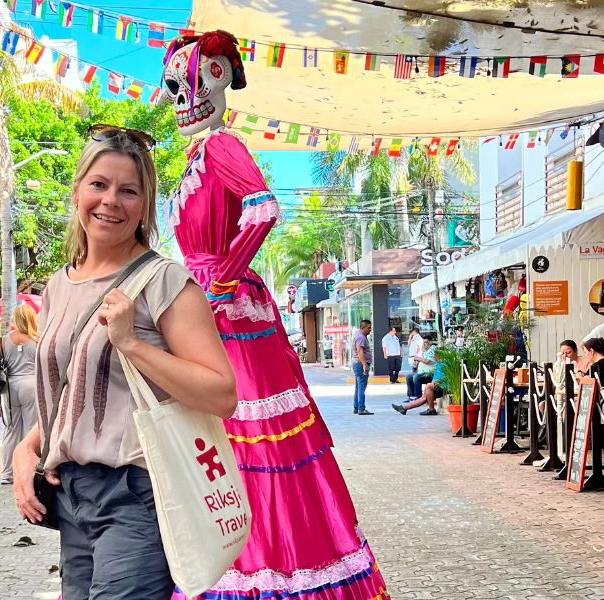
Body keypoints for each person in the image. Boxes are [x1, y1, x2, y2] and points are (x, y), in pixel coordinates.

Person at [160, 31, 388, 599]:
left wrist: (223, 280)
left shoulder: (221, 146)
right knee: (221, 440)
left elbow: (263, 209)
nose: (184, 100)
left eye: (194, 83)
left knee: (243, 437)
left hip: (227, 311)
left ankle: (261, 568)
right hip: (206, 305)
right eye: (174, 88)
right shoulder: (199, 156)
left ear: (218, 78)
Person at [12, 125, 237, 599]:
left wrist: (132, 343)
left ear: (144, 206)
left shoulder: (164, 281)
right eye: (99, 184)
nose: (111, 201)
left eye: (128, 191)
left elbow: (222, 394)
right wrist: (26, 448)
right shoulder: (58, 286)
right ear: (77, 193)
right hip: (70, 495)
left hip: (136, 494)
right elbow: (73, 389)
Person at [0, 304, 39, 485]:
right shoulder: (37, 340)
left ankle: (7, 474)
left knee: (10, 430)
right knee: (32, 430)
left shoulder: (3, 341)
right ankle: (30, 472)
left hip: (9, 386)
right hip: (31, 384)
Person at [352, 319, 374, 415]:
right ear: (363, 327)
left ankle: (356, 407)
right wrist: (365, 364)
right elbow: (360, 351)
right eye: (368, 328)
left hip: (358, 363)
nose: (370, 329)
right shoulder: (361, 337)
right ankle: (361, 408)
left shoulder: (359, 335)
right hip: (360, 364)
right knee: (361, 387)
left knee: (358, 386)